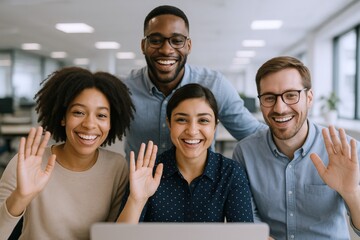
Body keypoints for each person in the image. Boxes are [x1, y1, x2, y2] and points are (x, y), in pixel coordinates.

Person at [232, 56, 360, 239]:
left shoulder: (346, 150)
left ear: (309, 98)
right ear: (260, 102)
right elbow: (249, 220)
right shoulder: (245, 152)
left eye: (291, 95)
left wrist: (351, 192)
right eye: (269, 98)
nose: (280, 108)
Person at [0, 67, 135, 240]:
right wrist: (20, 196)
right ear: (62, 117)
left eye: (101, 115)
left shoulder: (117, 167)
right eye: (78, 112)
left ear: (111, 122)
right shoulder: (27, 163)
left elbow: (111, 235)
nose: (89, 124)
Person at [123, 5, 266, 159]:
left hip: (200, 183)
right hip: (138, 182)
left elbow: (255, 135)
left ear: (188, 46)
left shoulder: (214, 85)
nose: (166, 50)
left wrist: (293, 136)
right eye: (156, 40)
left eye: (177, 41)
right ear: (143, 45)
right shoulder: (125, 89)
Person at [117, 83, 253, 223]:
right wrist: (136, 200)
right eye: (181, 120)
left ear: (214, 126)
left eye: (203, 120)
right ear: (169, 124)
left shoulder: (230, 172)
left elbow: (245, 235)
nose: (192, 131)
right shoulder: (148, 173)